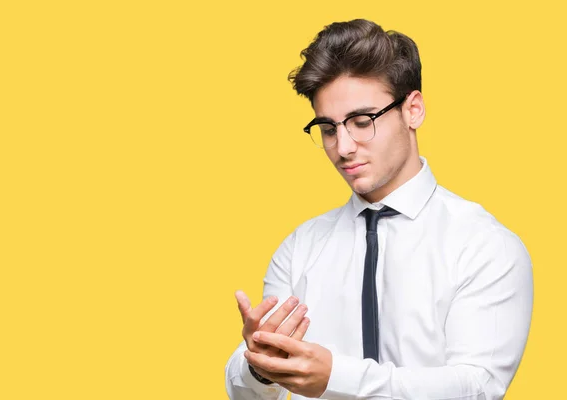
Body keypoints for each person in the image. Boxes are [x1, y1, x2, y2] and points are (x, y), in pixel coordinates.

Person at [225, 19, 533, 400]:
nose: (343, 147)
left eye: (361, 121)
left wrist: (337, 377)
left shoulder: (484, 245)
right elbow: (247, 395)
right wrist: (260, 368)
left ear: (413, 110)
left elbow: (477, 387)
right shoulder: (299, 248)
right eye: (328, 128)